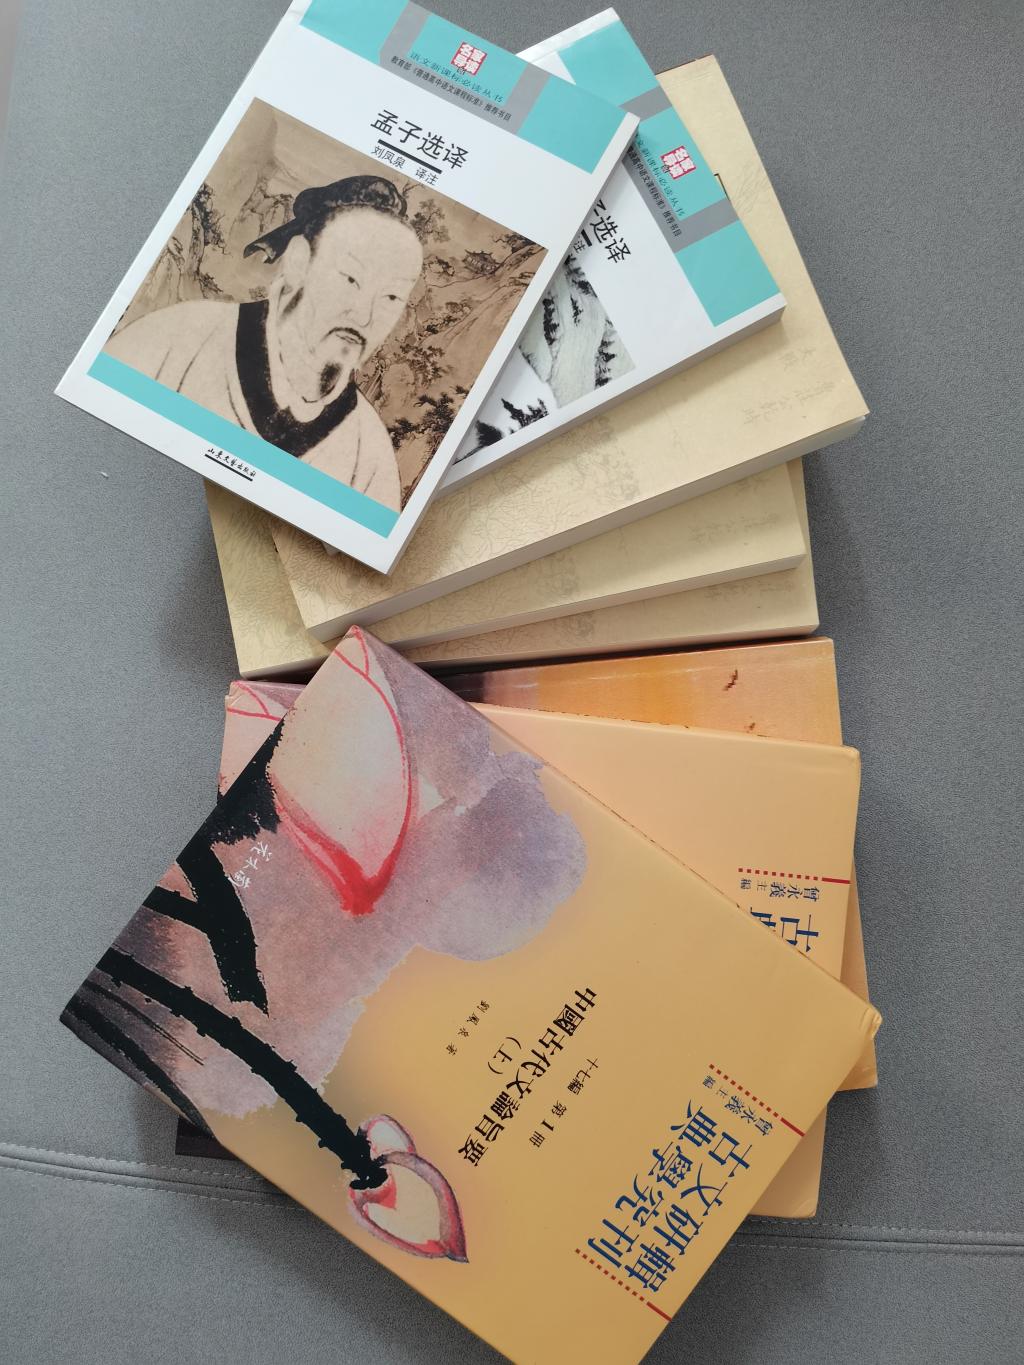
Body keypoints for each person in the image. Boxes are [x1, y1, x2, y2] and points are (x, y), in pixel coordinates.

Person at [105, 175, 424, 512]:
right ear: (299, 262)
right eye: (350, 279)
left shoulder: (370, 454)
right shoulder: (175, 338)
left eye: (391, 297)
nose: (364, 316)